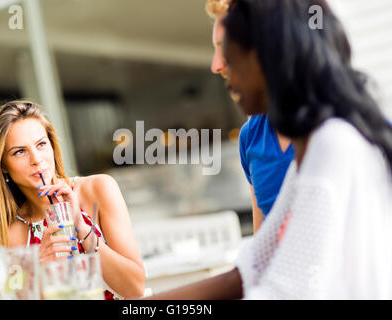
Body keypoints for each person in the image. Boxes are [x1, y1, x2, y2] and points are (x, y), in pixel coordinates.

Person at [145, 0, 392, 299]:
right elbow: (254, 267)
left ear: (270, 55)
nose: (216, 65)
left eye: (228, 47)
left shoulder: (334, 141)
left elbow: (283, 290)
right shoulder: (307, 150)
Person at [0, 100, 145, 299]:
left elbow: (135, 288)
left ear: (52, 146)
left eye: (41, 144)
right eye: (19, 152)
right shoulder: (12, 231)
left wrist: (81, 227)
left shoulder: (98, 189)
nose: (36, 159)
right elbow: (9, 296)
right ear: (3, 166)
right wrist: (37, 270)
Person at [206, 0, 294, 234]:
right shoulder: (251, 135)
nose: (215, 65)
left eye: (223, 46)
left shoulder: (341, 127)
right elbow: (262, 246)